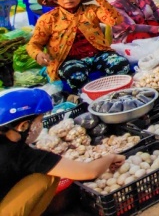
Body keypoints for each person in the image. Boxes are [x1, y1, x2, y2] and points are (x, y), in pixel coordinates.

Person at [0, 88, 125, 216]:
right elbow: (89, 172)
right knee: (47, 177)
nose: (41, 125)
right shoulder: (21, 154)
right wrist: (111, 157)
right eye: (40, 120)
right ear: (23, 126)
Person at [26, 0, 128, 90]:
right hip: (69, 60)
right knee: (76, 76)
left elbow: (115, 20)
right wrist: (38, 54)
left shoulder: (91, 10)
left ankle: (115, 92)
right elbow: (34, 44)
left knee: (121, 65)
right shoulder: (48, 19)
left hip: (99, 54)